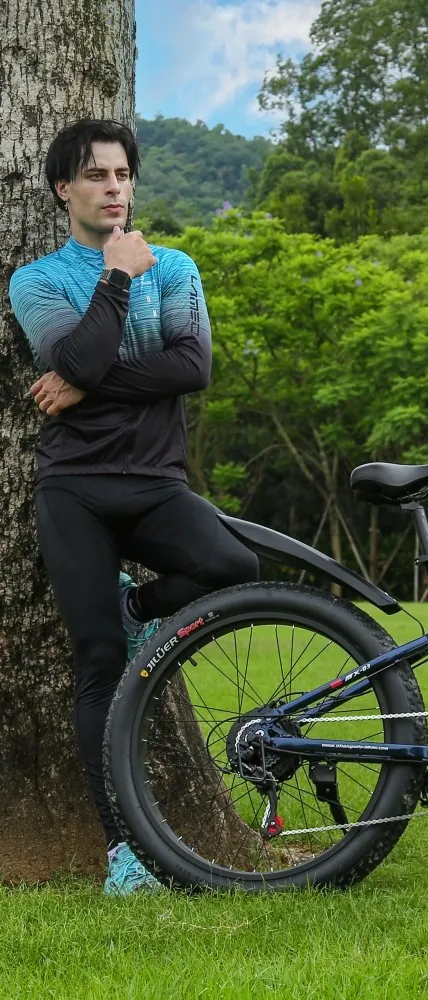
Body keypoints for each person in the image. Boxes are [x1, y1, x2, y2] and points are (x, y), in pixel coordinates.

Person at [8, 119, 260, 895]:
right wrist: (115, 280)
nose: (114, 188)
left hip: (156, 484)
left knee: (232, 564)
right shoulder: (36, 282)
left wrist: (85, 376)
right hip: (75, 489)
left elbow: (193, 367)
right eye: (97, 176)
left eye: (122, 175)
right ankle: (122, 850)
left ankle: (140, 603)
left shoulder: (176, 266)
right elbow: (73, 356)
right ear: (65, 189)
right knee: (97, 667)